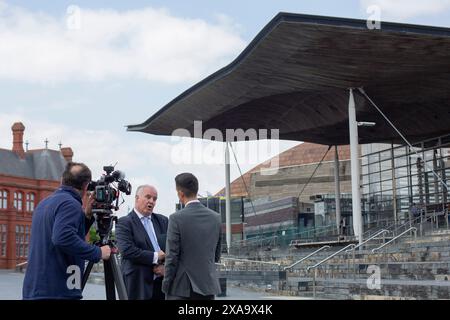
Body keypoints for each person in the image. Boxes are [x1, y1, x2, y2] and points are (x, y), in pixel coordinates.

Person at [22, 162, 111, 300]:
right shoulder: (70, 204)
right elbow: (62, 238)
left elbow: (60, 235)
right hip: (57, 291)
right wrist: (98, 252)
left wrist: (86, 217)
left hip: (36, 290)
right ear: (86, 186)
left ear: (62, 180)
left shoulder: (45, 203)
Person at [162, 173, 222, 300]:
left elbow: (172, 257)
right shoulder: (216, 218)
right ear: (196, 190)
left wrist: (166, 285)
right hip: (207, 287)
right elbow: (216, 255)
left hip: (181, 289)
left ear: (180, 194)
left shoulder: (176, 218)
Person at [115, 185, 168, 300]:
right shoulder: (124, 222)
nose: (151, 201)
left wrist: (166, 268)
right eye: (148, 197)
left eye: (154, 199)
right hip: (138, 285)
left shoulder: (163, 221)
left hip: (162, 286)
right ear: (137, 198)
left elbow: (173, 248)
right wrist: (155, 257)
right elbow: (127, 251)